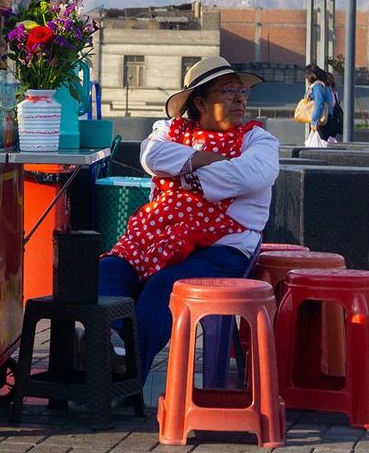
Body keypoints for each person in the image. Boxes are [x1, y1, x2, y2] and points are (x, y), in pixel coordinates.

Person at [98, 55, 279, 379]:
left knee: (164, 285)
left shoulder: (258, 140)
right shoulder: (169, 130)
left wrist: (181, 172)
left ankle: (126, 376)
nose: (239, 99)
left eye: (241, 92)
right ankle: (107, 351)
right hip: (152, 237)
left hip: (223, 247)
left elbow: (247, 177)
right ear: (200, 102)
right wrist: (205, 158)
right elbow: (152, 155)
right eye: (228, 91)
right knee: (106, 274)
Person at [303, 64, 334, 146]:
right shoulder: (326, 85)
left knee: (319, 147)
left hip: (320, 120)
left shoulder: (317, 86)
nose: (307, 79)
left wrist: (314, 121)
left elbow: (318, 104)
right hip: (327, 118)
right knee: (324, 144)